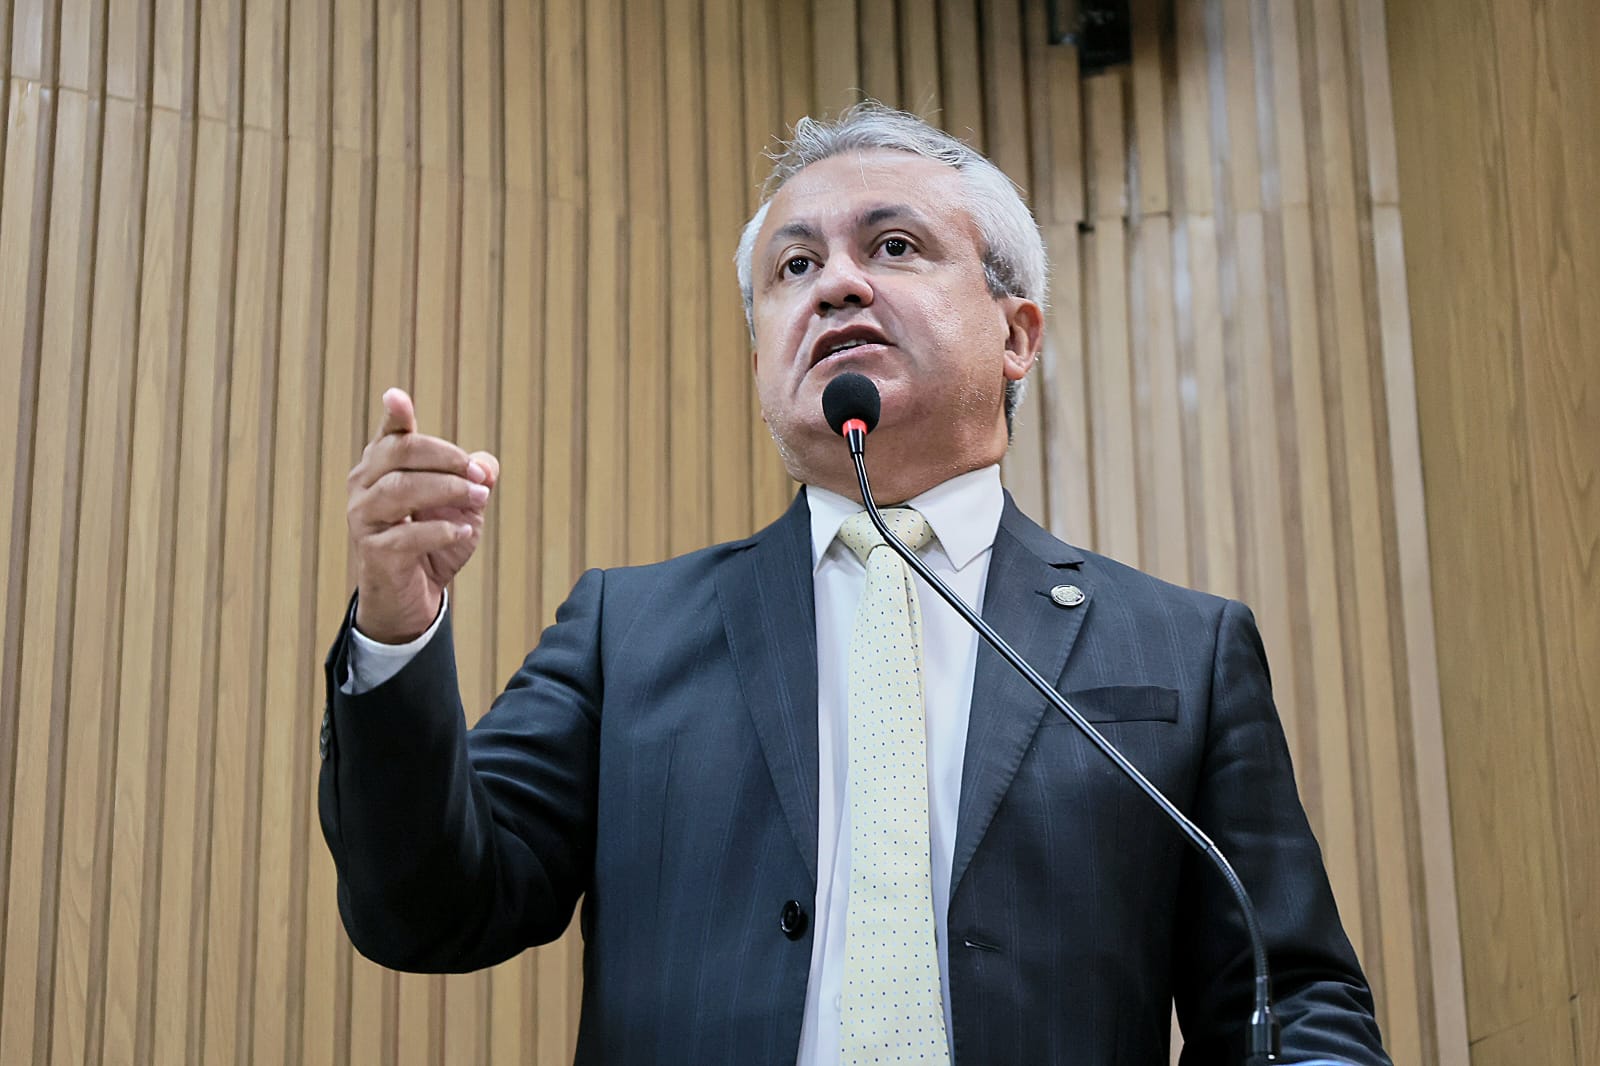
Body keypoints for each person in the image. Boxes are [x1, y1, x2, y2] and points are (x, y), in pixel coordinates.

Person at [321, 102, 1391, 1065]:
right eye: (793, 267)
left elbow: (1287, 997)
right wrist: (398, 626)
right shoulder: (626, 631)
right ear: (762, 362)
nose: (835, 282)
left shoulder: (1179, 649)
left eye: (893, 245)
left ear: (1016, 334)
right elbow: (429, 907)